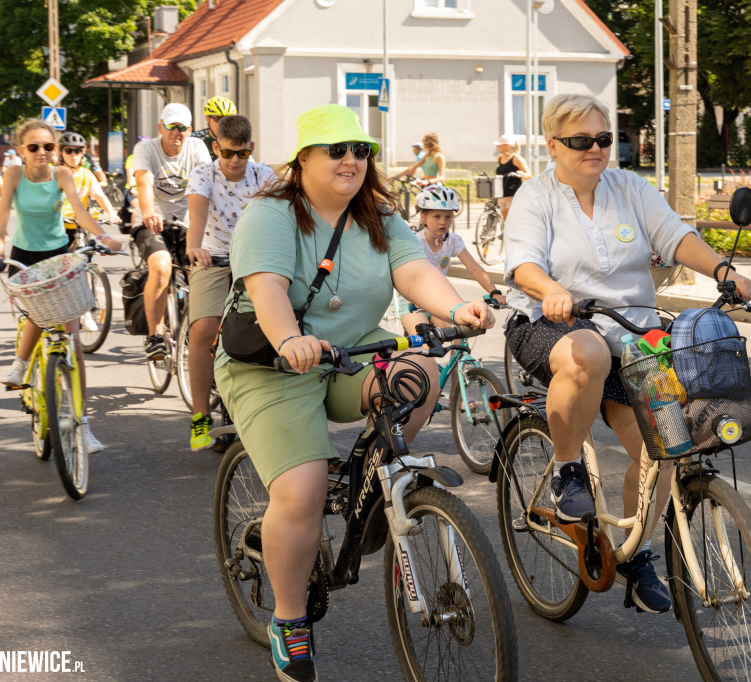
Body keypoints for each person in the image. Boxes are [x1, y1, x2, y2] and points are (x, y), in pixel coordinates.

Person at [213, 103, 494, 682]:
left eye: (360, 150)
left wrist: (455, 305)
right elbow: (266, 292)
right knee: (303, 490)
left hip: (351, 351)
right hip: (272, 364)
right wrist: (291, 339)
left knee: (419, 369)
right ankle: (289, 620)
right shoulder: (270, 214)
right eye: (336, 150)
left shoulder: (379, 215)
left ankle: (375, 481)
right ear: (304, 161)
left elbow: (415, 271)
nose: (351, 160)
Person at [503, 93, 751, 614]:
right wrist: (550, 288)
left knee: (669, 444)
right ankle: (568, 469)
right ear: (553, 145)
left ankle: (636, 553)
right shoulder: (537, 196)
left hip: (633, 338)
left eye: (603, 138)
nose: (594, 148)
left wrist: (723, 273)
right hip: (554, 328)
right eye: (580, 141)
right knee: (589, 351)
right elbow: (523, 263)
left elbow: (675, 236)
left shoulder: (631, 188)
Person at [0, 119, 122, 454]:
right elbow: (1, 222)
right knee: (37, 313)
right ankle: (20, 364)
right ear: (21, 151)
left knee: (73, 339)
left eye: (48, 147)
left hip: (58, 253)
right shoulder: (14, 177)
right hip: (25, 255)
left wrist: (104, 236)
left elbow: (80, 212)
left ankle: (83, 424)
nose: (42, 152)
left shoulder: (63, 175)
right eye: (34, 147)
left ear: (55, 150)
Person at [184, 114, 275, 451]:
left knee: (269, 323)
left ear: (251, 149)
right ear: (215, 148)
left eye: (242, 153)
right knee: (204, 328)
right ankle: (200, 415)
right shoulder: (203, 173)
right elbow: (198, 214)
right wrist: (195, 246)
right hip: (213, 255)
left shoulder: (263, 174)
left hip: (252, 259)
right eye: (227, 153)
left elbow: (278, 215)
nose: (235, 161)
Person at [133, 102, 211, 361]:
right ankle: (155, 336)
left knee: (203, 272)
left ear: (190, 130)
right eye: (171, 126)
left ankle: (201, 335)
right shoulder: (146, 148)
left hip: (188, 222)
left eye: (182, 128)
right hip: (152, 221)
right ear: (160, 127)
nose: (176, 132)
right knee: (162, 265)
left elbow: (205, 186)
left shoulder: (197, 148)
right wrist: (148, 211)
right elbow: (144, 182)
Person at [400, 185, 506, 334]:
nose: (443, 222)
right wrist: (412, 299)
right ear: (423, 217)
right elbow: (406, 275)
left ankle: (458, 357)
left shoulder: (453, 241)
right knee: (423, 342)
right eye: (436, 216)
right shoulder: (416, 241)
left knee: (457, 334)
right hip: (413, 302)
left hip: (439, 300)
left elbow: (475, 268)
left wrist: (494, 291)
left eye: (448, 216)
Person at [56, 131, 120, 243]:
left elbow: (99, 195)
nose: (74, 155)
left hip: (80, 224)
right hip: (57, 227)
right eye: (69, 151)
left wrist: (111, 213)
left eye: (78, 151)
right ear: (61, 152)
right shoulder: (54, 174)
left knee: (90, 249)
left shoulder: (86, 174)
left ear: (83, 152)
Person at [493, 133, 531, 219]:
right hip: (501, 194)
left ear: (507, 146)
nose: (497, 147)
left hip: (513, 194)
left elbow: (528, 174)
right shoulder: (499, 158)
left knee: (512, 221)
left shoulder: (516, 158)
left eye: (500, 145)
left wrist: (522, 174)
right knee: (505, 222)